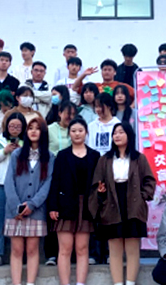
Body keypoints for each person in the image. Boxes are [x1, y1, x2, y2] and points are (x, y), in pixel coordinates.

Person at [89, 123, 156, 285]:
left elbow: (149, 180)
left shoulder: (139, 158)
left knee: (132, 249)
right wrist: (100, 191)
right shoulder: (105, 159)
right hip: (112, 203)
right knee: (115, 249)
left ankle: (130, 282)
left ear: (129, 135)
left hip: (133, 203)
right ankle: (118, 283)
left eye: (121, 132)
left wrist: (143, 196)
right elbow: (96, 183)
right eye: (115, 133)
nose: (117, 136)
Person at [48, 118, 101, 285]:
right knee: (65, 249)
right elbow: (55, 181)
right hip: (65, 204)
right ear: (69, 133)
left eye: (80, 130)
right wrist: (53, 206)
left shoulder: (94, 155)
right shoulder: (62, 155)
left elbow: (99, 182)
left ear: (86, 132)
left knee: (82, 248)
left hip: (86, 206)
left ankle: (80, 283)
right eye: (73, 131)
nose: (77, 134)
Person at [4, 116, 55, 285]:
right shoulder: (17, 154)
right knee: (17, 249)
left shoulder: (49, 157)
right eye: (30, 128)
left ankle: (30, 282)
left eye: (37, 128)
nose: (33, 131)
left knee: (33, 249)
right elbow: (9, 181)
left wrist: (32, 204)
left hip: (36, 210)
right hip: (15, 211)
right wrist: (16, 206)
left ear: (43, 132)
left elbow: (48, 183)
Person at [0, 112, 25, 268]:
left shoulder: (27, 142)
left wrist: (21, 151)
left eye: (18, 127)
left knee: (18, 218)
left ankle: (19, 252)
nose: (14, 129)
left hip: (20, 184)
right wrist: (4, 151)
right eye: (12, 126)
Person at [45, 102, 77, 266]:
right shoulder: (50, 129)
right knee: (52, 213)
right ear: (59, 113)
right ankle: (51, 253)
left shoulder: (77, 130)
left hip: (71, 176)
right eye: (66, 113)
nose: (69, 116)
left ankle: (72, 255)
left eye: (72, 113)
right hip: (52, 173)